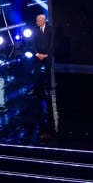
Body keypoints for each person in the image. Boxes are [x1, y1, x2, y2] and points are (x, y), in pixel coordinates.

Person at [31, 14, 55, 142]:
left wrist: (46, 55)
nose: (36, 23)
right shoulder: (35, 30)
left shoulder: (50, 29)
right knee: (37, 74)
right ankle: (38, 89)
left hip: (47, 55)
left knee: (47, 73)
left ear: (43, 20)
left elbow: (52, 43)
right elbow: (32, 43)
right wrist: (37, 54)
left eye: (38, 21)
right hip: (38, 56)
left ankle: (47, 88)